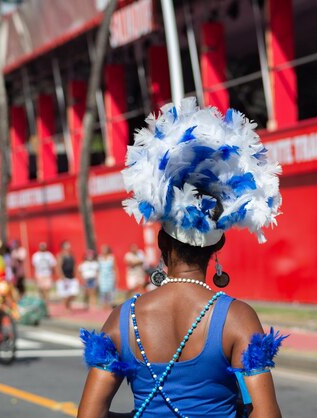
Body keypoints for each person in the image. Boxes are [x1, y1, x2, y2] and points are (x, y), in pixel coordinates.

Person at [78, 100, 285, 417]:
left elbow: (90, 415)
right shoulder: (236, 317)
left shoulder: (124, 318)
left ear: (162, 241)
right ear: (217, 247)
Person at [32, 242, 56, 316]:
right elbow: (34, 266)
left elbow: (53, 265)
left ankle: (46, 309)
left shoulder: (49, 255)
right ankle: (41, 309)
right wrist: (35, 277)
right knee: (41, 292)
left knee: (47, 292)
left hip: (47, 274)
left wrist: (53, 274)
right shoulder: (36, 255)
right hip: (39, 275)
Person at [56, 240, 80, 310]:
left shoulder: (71, 255)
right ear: (63, 247)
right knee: (66, 294)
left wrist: (77, 274)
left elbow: (74, 265)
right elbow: (58, 266)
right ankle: (67, 307)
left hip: (72, 277)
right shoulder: (61, 255)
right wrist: (61, 276)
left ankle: (67, 305)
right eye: (67, 245)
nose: (69, 246)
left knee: (74, 293)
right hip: (65, 277)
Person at [97, 245, 116, 309]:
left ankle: (109, 304)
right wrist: (97, 278)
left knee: (110, 291)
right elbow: (98, 269)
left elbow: (114, 268)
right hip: (102, 277)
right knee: (102, 291)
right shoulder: (100, 258)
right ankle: (103, 304)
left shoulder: (111, 258)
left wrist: (115, 277)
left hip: (110, 276)